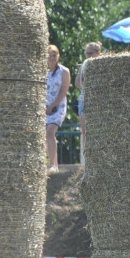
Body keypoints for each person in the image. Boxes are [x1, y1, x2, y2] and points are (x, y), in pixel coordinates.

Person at [46, 44, 71, 174]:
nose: (52, 58)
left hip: (58, 106)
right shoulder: (43, 72)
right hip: (45, 108)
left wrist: (53, 106)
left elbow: (64, 91)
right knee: (45, 135)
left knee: (50, 131)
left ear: (58, 56)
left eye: (54, 55)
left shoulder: (64, 71)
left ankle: (53, 165)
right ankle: (51, 163)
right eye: (49, 56)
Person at [76, 41, 102, 164]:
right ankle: (85, 162)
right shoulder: (85, 64)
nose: (89, 56)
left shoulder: (103, 64)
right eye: (87, 54)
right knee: (84, 131)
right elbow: (77, 84)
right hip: (84, 99)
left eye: (91, 53)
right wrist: (81, 70)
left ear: (98, 53)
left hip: (98, 101)